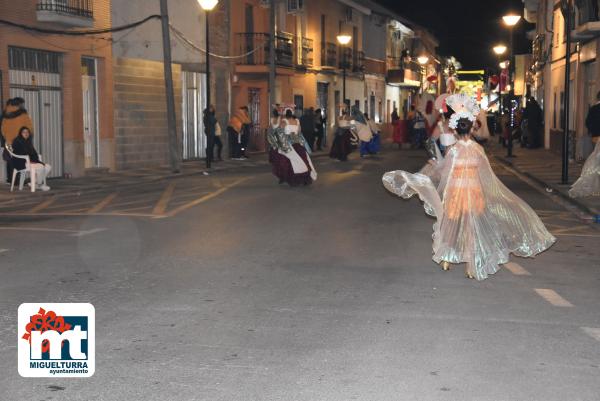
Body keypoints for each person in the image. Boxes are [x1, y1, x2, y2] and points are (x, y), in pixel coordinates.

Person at [382, 93, 555, 280]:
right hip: (474, 192)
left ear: (455, 131)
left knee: (451, 225)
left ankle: (447, 259)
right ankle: (472, 266)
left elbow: (445, 172)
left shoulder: (453, 150)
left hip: (456, 192)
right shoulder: (478, 149)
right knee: (472, 227)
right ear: (471, 129)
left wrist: (435, 170)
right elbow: (485, 173)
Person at [267, 109, 316, 186]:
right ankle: (303, 178)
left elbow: (280, 132)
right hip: (297, 144)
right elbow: (299, 132)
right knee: (302, 160)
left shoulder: (284, 121)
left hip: (288, 144)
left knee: (286, 161)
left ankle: (289, 178)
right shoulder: (297, 121)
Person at [570, 93, 600, 197]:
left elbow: (588, 122)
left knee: (596, 159)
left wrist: (592, 130)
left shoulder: (594, 109)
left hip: (596, 136)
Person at [1, 98, 34, 183]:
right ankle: (18, 180)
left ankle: (11, 179)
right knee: (21, 160)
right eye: (22, 103)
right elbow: (29, 128)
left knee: (10, 161)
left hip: (8, 142)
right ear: (19, 104)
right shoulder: (23, 115)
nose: (23, 105)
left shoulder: (5, 115)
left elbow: (3, 130)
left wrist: (8, 138)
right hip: (20, 142)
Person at [11, 126, 51, 191]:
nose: (26, 133)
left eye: (27, 132)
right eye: (24, 132)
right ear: (20, 133)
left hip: (30, 161)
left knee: (48, 167)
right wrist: (29, 160)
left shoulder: (28, 142)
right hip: (21, 162)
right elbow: (19, 153)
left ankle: (35, 183)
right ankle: (39, 184)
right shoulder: (17, 141)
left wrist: (35, 160)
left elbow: (34, 153)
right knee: (40, 167)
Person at [203, 105, 217, 171]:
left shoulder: (207, 115)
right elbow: (214, 121)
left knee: (210, 145)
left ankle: (209, 158)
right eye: (212, 109)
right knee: (210, 145)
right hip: (210, 131)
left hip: (210, 131)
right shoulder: (209, 116)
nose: (213, 110)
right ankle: (208, 158)